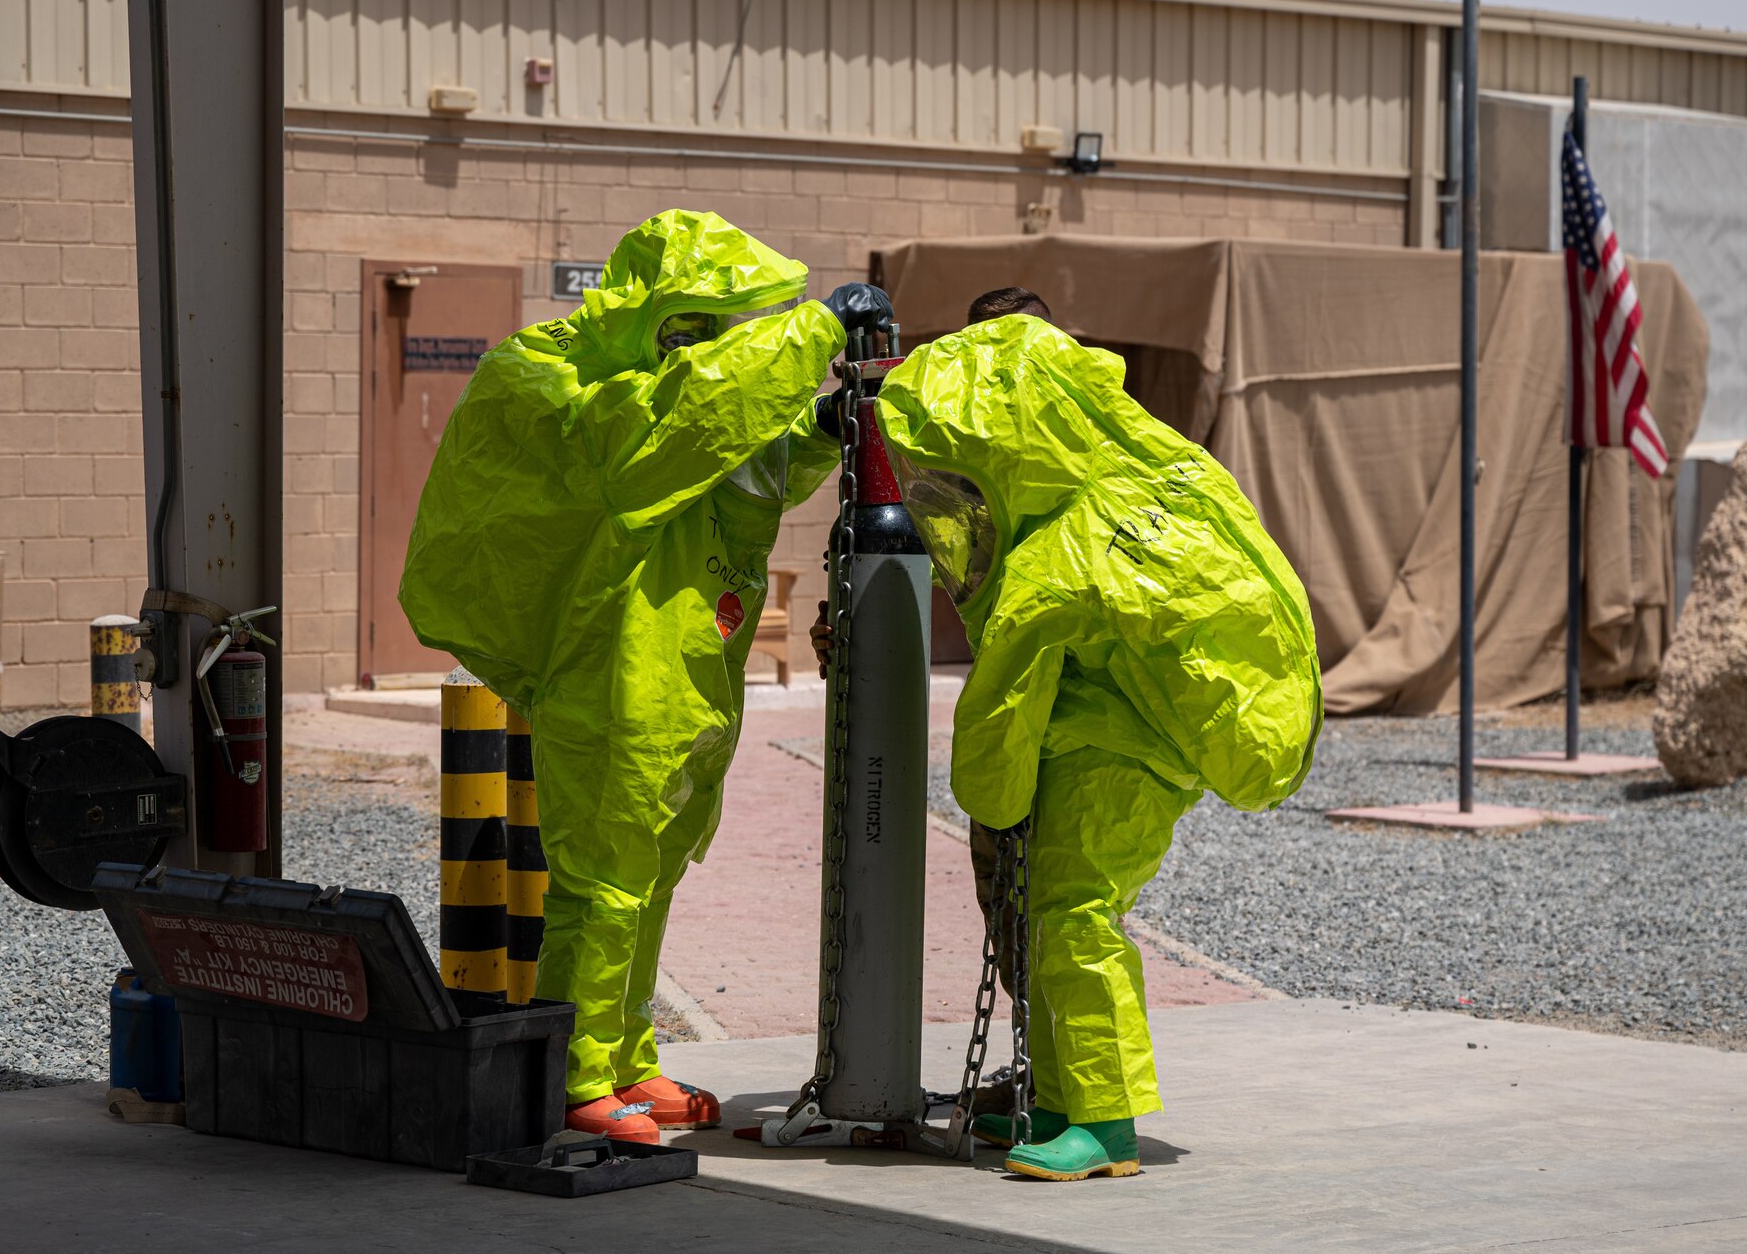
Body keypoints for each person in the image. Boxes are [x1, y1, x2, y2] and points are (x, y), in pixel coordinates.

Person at [400, 210, 892, 1145]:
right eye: (692, 322)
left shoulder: (679, 391)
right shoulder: (551, 376)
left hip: (690, 664)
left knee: (653, 872)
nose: (704, 345)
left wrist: (825, 425)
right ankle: (575, 1071)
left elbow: (741, 462)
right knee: (602, 876)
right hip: (611, 664)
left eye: (718, 326)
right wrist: (814, 330)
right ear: (649, 309)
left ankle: (627, 1057)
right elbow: (656, 442)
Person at [874, 314, 1322, 1181]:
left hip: (1111, 754)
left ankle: (1107, 1121)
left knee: (1074, 919)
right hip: (1140, 741)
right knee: (1054, 919)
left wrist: (989, 789)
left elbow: (991, 766)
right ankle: (1058, 1102)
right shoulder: (1148, 483)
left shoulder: (1054, 558)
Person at [811, 286, 1053, 1118]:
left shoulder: (1064, 442)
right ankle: (1044, 1070)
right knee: (1008, 886)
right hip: (1010, 699)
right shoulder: (959, 433)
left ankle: (1064, 1083)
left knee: (1060, 899)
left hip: (1068, 706)